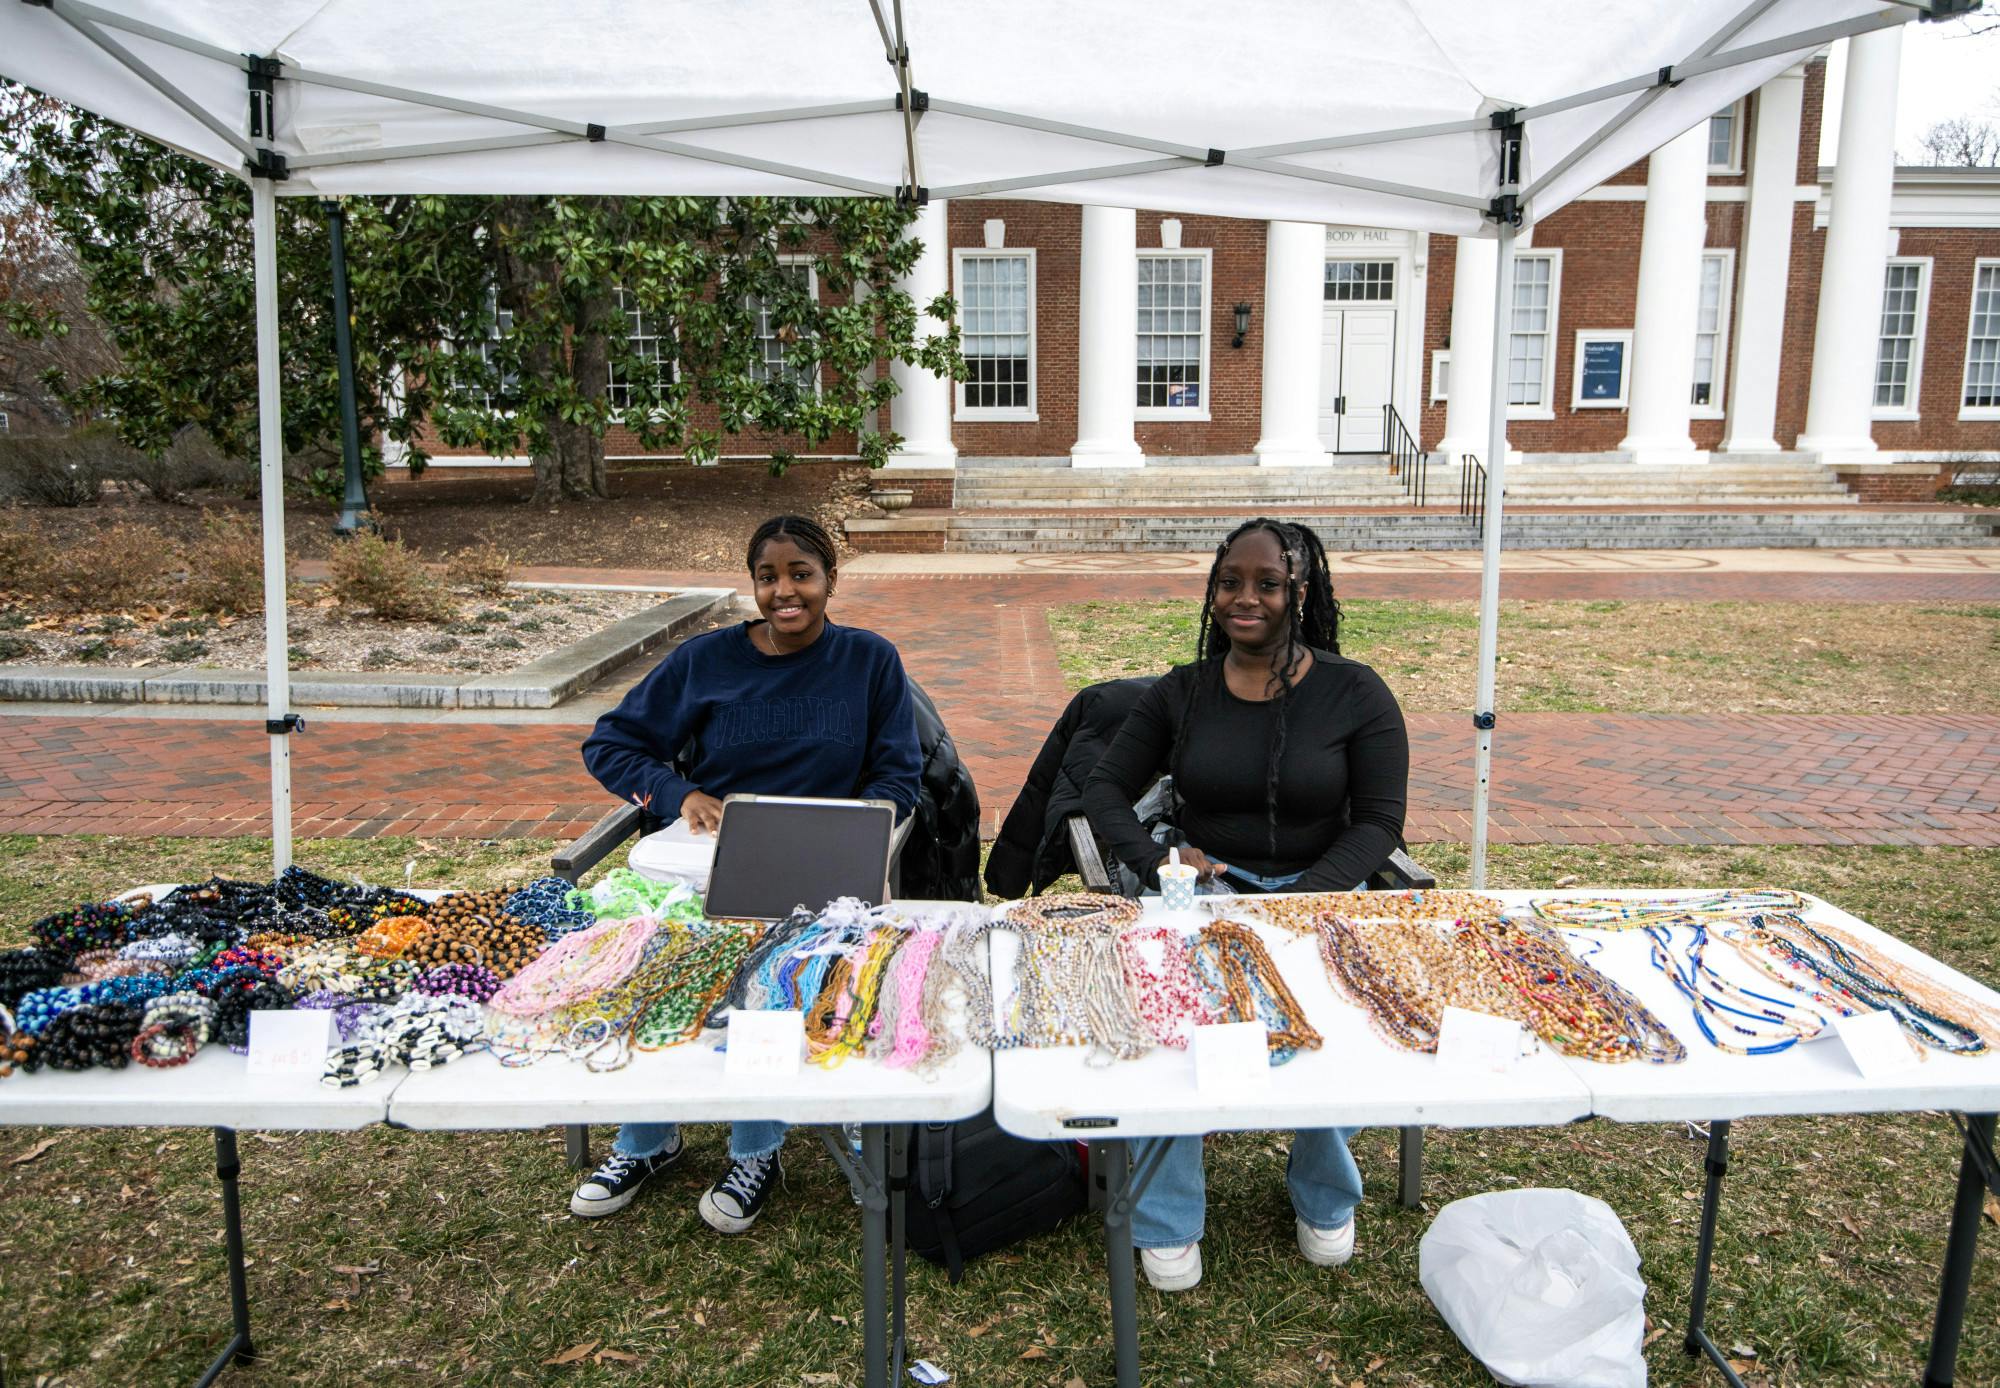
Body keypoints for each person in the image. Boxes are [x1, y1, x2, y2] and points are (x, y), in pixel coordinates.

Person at [1080, 518, 1409, 1292]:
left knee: (1331, 1021)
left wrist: (1306, 896)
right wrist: (1160, 862)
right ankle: (1168, 1216)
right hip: (1203, 889)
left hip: (1319, 887)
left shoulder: (1355, 692)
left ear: (1302, 591)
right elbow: (1102, 789)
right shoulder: (1182, 691)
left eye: (1267, 583)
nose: (1244, 598)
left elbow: (1379, 822)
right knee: (1175, 1023)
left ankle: (1324, 1188)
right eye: (1230, 582)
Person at [571, 513, 922, 1230]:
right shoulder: (703, 661)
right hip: (709, 857)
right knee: (660, 971)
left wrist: (852, 832)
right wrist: (679, 794)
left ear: (830, 580)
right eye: (768, 577)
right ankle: (646, 1139)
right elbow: (610, 744)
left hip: (822, 863)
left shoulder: (869, 660)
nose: (784, 591)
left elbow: (899, 776)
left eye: (801, 575)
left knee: (773, 978)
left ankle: (755, 1150)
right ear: (753, 585)